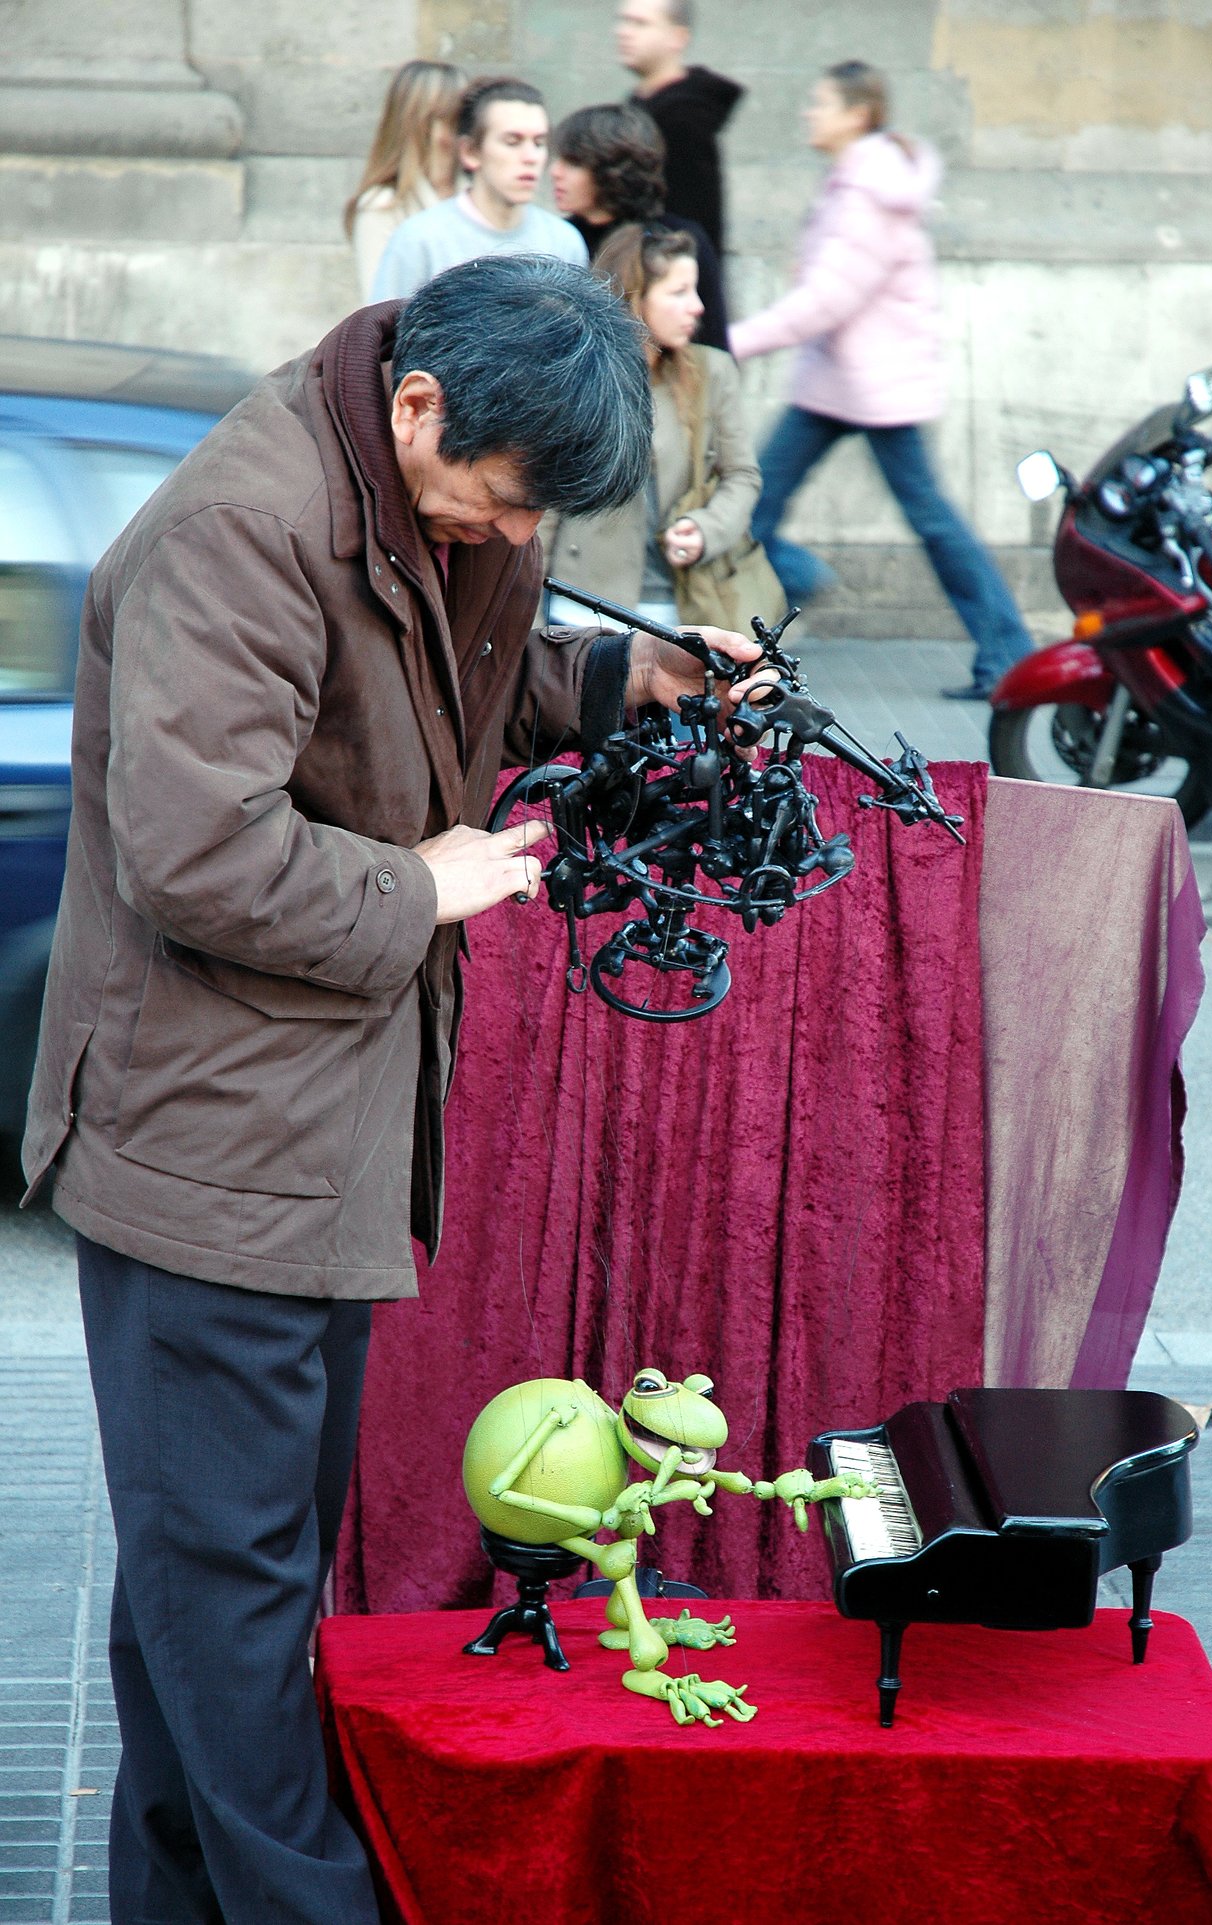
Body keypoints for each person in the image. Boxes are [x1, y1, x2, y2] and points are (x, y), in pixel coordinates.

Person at [21, 253, 762, 1924]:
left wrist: (612, 681)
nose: (508, 538)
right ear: (416, 404)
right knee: (231, 1598)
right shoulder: (243, 528)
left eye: (531, 523)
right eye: (498, 505)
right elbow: (198, 852)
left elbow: (445, 690)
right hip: (204, 1145)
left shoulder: (430, 484)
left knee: (209, 1593)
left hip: (306, 1124)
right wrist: (418, 890)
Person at [729, 59, 1033, 699]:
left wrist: (734, 343)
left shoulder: (868, 189)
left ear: (857, 114)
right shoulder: (855, 181)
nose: (809, 112)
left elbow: (827, 299)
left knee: (926, 519)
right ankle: (796, 578)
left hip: (872, 387)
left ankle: (1006, 656)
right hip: (838, 380)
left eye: (822, 102)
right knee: (754, 504)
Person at [544, 224, 759, 632]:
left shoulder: (712, 372)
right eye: (678, 293)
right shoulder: (578, 377)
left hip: (683, 607)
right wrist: (527, 618)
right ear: (635, 299)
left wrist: (705, 529)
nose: (697, 306)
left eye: (694, 291)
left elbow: (742, 476)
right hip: (584, 609)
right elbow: (545, 504)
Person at [372, 76, 586, 299]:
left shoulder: (564, 242)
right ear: (470, 152)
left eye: (539, 143)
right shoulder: (420, 240)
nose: (531, 157)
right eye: (512, 142)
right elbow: (383, 326)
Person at [549, 100, 729, 351]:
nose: (555, 172)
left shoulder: (675, 238)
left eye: (573, 163)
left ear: (611, 170)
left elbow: (712, 344)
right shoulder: (557, 239)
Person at [617, 0, 743, 259]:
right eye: (624, 21)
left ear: (677, 37)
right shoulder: (640, 106)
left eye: (640, 23)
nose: (623, 32)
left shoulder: (684, 117)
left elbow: (693, 219)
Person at [345, 59, 466, 302]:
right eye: (450, 120)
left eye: (465, 120)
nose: (461, 133)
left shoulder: (475, 197)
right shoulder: (381, 207)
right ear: (418, 126)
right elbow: (381, 312)